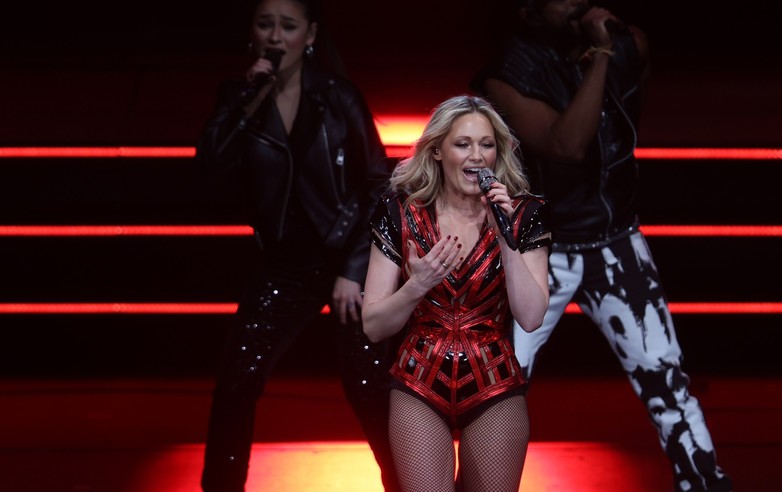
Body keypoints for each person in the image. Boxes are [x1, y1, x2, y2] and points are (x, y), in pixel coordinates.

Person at [471, 1, 733, 491]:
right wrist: (602, 57)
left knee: (667, 384)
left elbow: (623, 128)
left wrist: (608, 51)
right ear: (530, 10)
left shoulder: (628, 45)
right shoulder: (507, 74)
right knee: (497, 389)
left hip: (615, 241)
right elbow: (568, 144)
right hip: (538, 249)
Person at [194, 0, 400, 490]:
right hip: (284, 267)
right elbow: (209, 166)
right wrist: (246, 98)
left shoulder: (338, 97)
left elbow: (378, 184)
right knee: (236, 383)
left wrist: (354, 269)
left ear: (309, 35)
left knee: (371, 391)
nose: (275, 35)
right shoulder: (241, 98)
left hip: (347, 261)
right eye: (265, 23)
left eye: (287, 26)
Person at [361, 95, 551, 492]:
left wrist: (506, 236)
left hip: (493, 382)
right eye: (463, 144)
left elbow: (531, 316)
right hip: (419, 382)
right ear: (437, 151)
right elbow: (374, 326)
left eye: (486, 144)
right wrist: (417, 284)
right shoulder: (401, 211)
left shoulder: (525, 213)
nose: (477, 156)